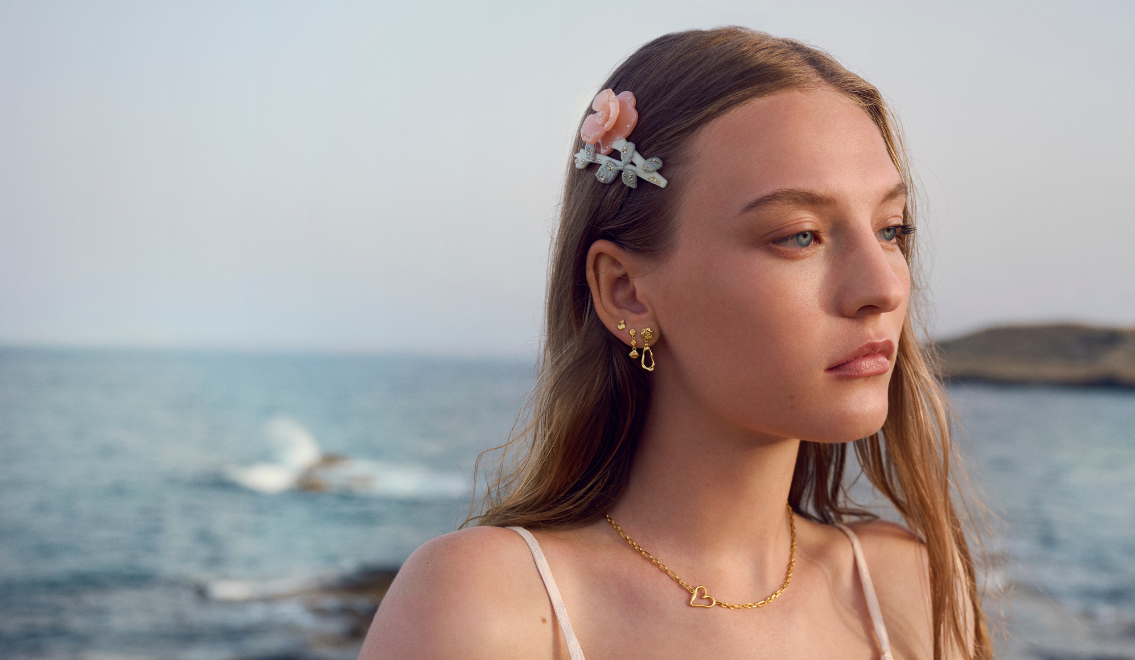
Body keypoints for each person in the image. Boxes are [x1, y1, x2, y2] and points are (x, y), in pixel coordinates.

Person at [359, 26, 990, 660]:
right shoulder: (490, 605)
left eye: (892, 228)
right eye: (798, 235)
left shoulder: (910, 587)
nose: (882, 286)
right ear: (626, 291)